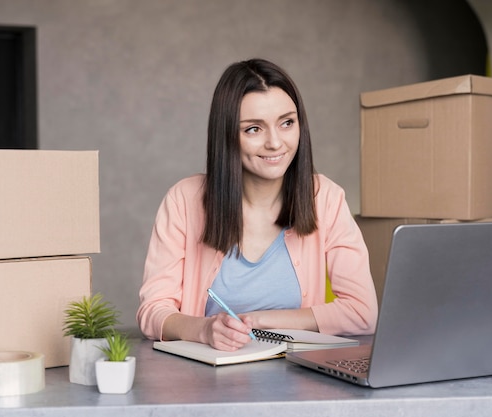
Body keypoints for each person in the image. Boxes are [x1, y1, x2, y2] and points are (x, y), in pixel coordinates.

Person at [137, 58, 378, 351]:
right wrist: (205, 330)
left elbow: (363, 313)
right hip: (206, 380)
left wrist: (261, 320)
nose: (275, 143)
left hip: (300, 380)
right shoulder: (184, 201)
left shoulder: (325, 198)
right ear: (227, 136)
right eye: (254, 129)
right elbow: (152, 313)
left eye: (287, 123)